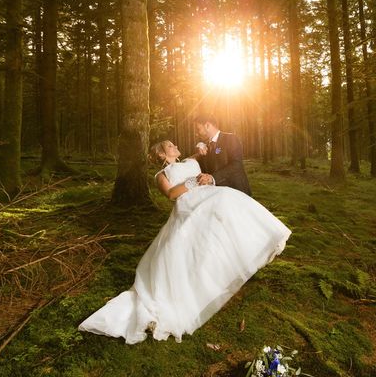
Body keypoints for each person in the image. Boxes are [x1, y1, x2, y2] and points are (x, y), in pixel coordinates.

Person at [78, 141, 291, 344]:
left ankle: (251, 248)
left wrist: (201, 149)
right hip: (189, 205)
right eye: (170, 146)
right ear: (162, 154)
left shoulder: (188, 161)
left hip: (209, 196)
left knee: (230, 203)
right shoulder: (161, 175)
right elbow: (171, 194)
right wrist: (191, 182)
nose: (176, 146)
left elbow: (198, 154)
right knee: (197, 239)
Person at [194, 114, 252, 196]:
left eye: (198, 129)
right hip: (219, 195)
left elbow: (237, 164)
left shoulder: (230, 139)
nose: (197, 133)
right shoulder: (204, 147)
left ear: (207, 125)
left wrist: (213, 178)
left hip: (237, 191)